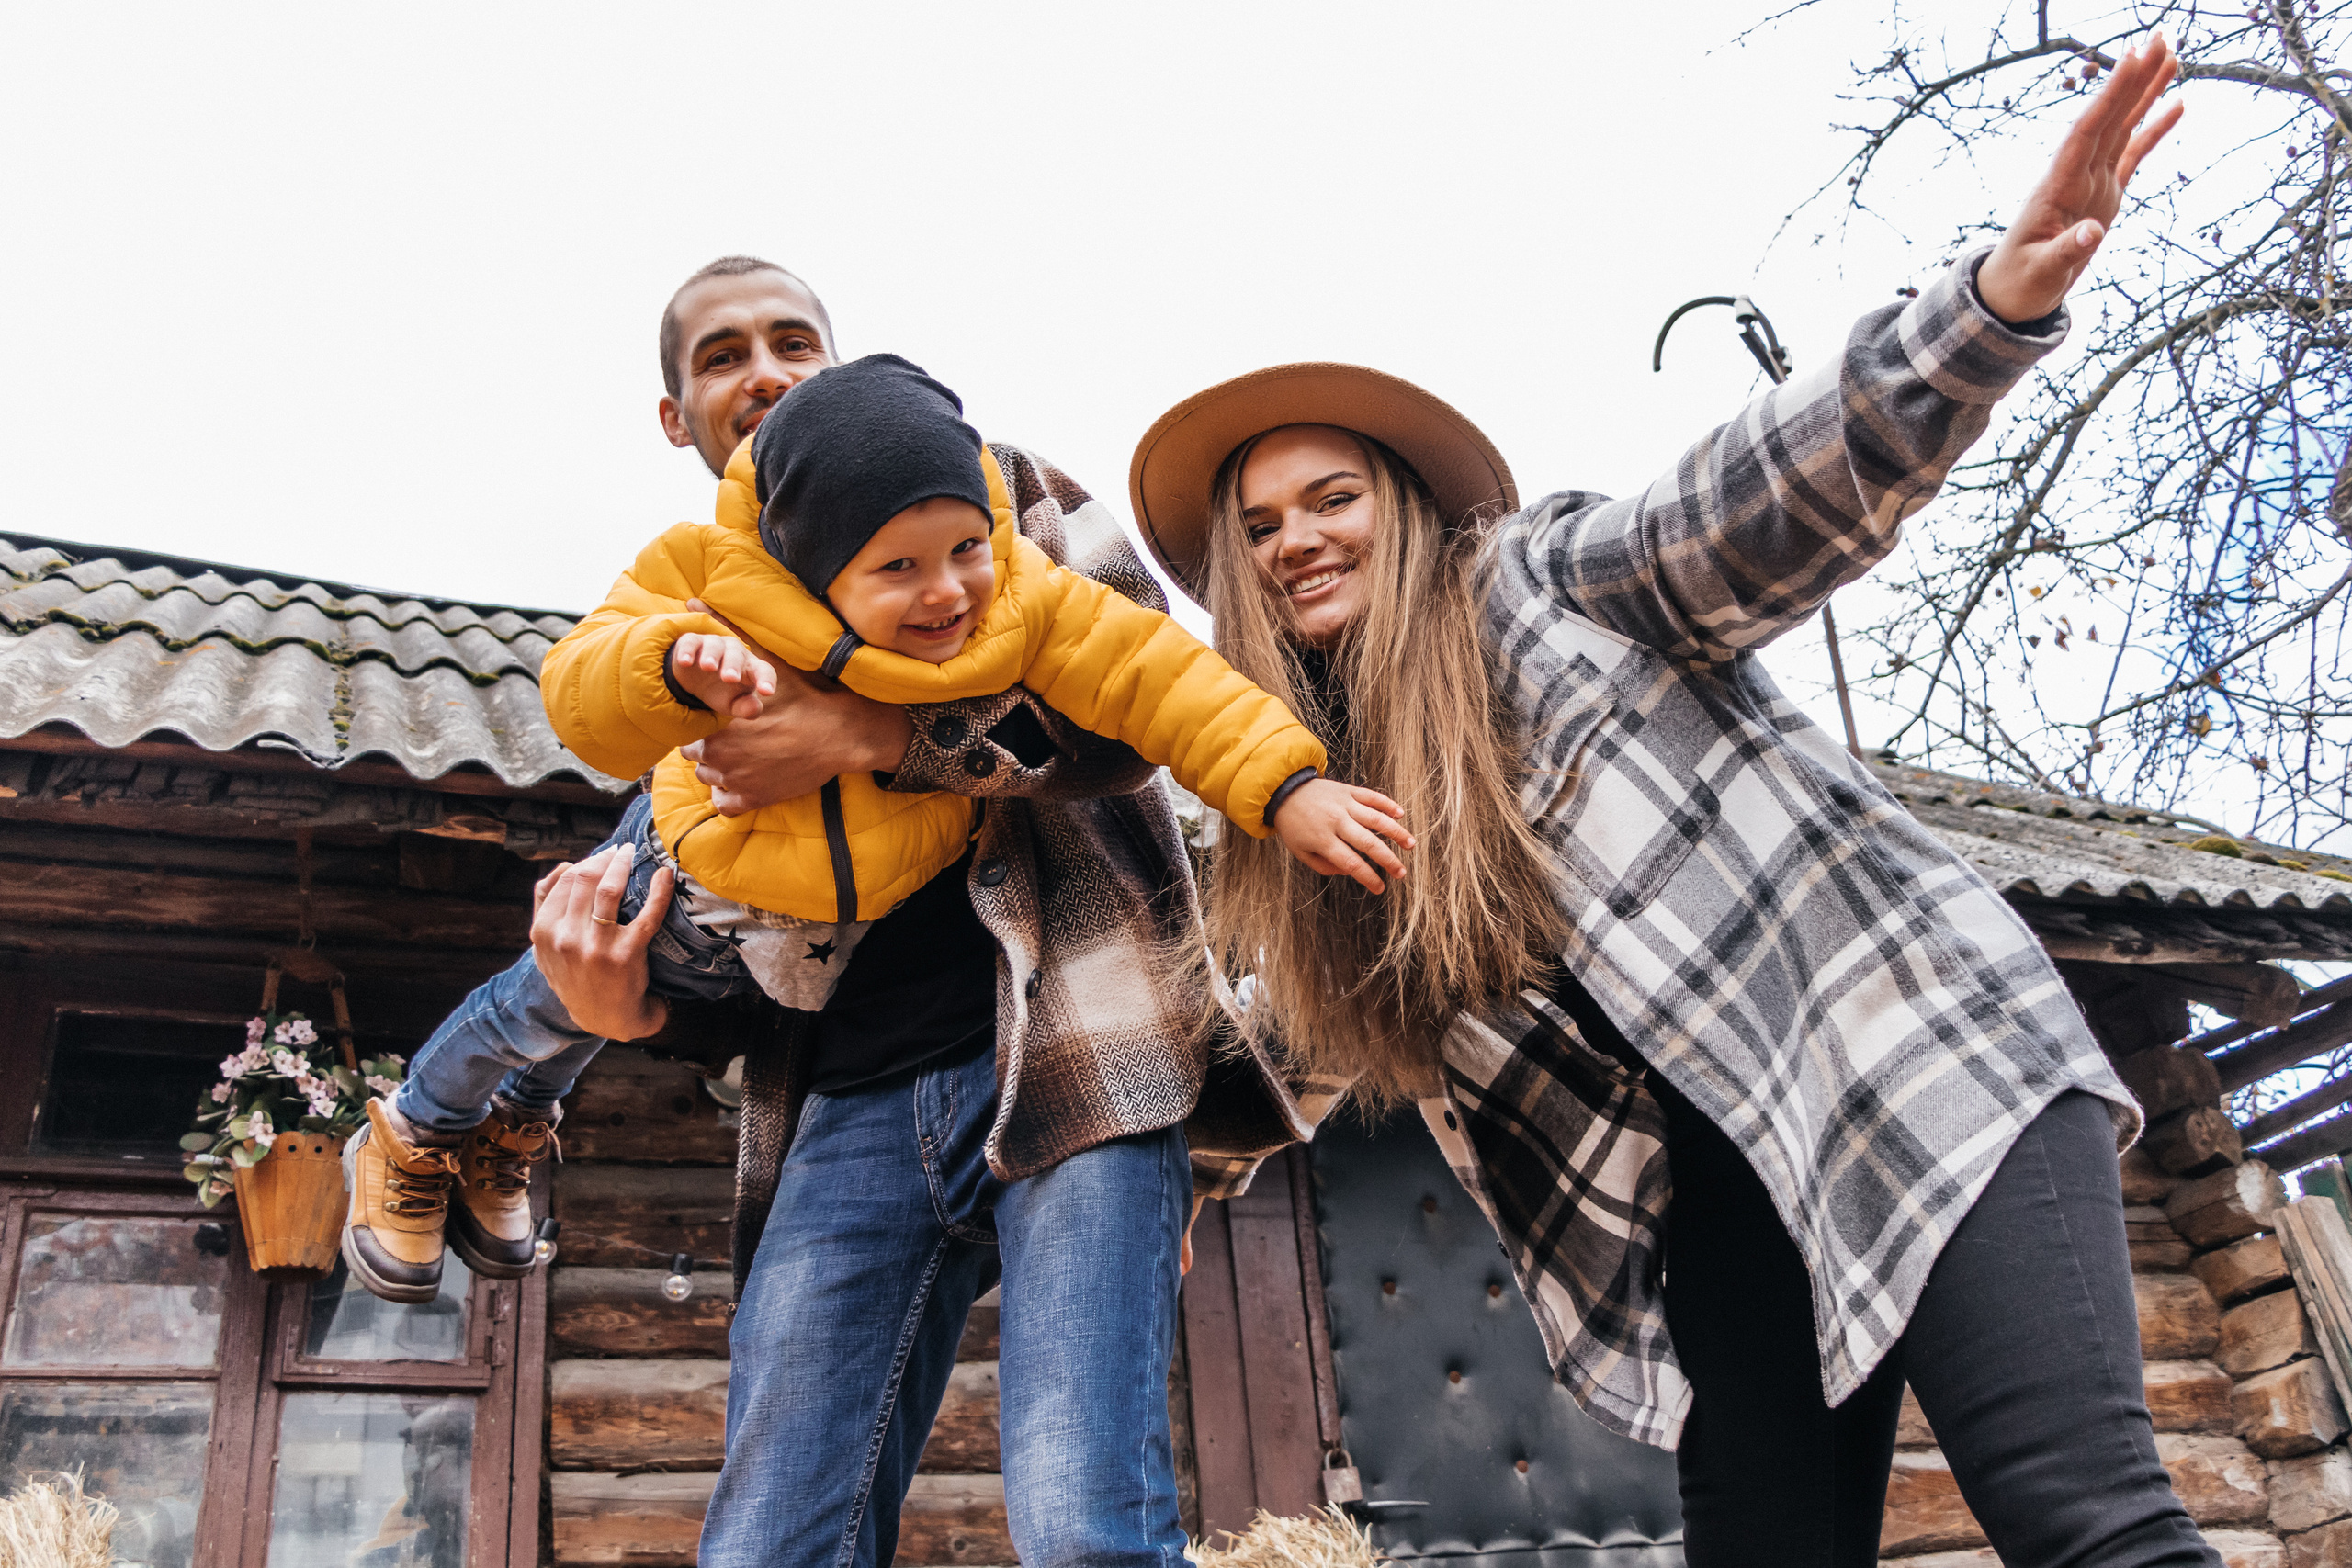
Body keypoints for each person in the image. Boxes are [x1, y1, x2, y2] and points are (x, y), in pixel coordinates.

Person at [1131, 39, 2208, 1568]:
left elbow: (1765, 493)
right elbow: (1257, 1043)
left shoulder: (1542, 584)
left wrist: (1988, 310)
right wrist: (1145, 1183)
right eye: (1262, 526)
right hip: (1720, 1206)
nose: (1300, 537)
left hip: (1905, 1057)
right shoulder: (1314, 841)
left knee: (2081, 1517)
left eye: (1332, 497)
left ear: (1405, 505)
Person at [347, 256, 1306, 1568]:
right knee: (769, 1547)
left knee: (1090, 1530)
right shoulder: (702, 614)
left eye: (794, 338)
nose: (768, 370)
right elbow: (738, 933)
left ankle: (452, 1105)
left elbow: (1133, 698)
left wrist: (876, 730)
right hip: (844, 1106)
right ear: (679, 418)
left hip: (1075, 1039)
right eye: (725, 354)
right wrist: (632, 1006)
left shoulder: (994, 487)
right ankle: (459, 1104)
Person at [544, 351, 1408, 1006]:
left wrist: (1288, 785)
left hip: (926, 945)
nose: (947, 590)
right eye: (897, 568)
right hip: (721, 909)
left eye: (966, 550)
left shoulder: (1024, 579)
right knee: (580, 936)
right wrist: (667, 665)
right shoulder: (712, 582)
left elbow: (1158, 675)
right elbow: (582, 690)